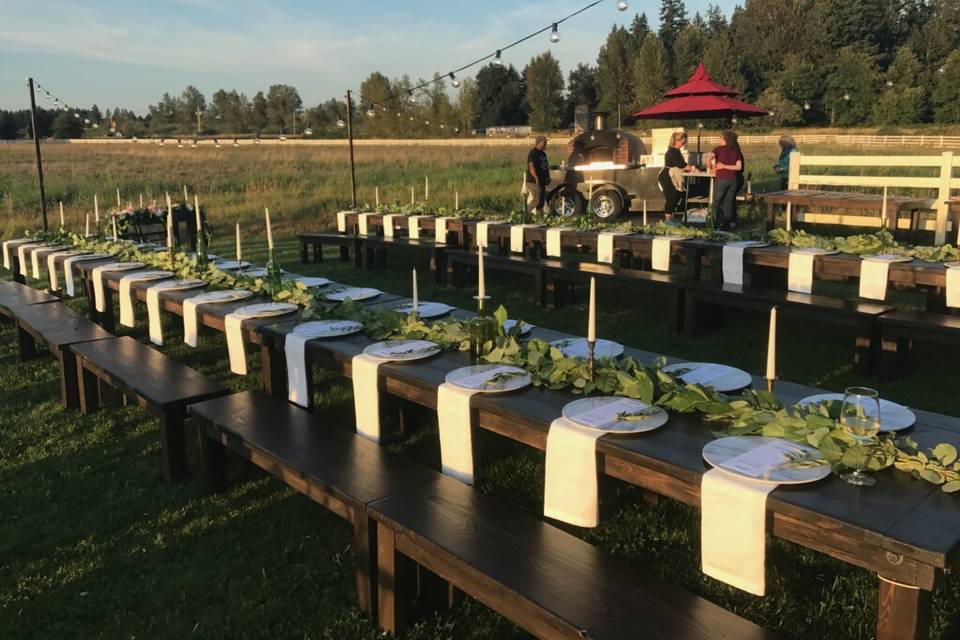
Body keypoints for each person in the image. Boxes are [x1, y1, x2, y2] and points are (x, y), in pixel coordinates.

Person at [707, 129, 744, 231]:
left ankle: (713, 224)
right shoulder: (736, 150)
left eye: (720, 137)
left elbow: (709, 158)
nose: (719, 139)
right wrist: (726, 166)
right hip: (733, 180)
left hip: (722, 179)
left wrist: (711, 168)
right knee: (728, 202)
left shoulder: (718, 149)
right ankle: (726, 227)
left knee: (716, 202)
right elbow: (739, 167)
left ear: (724, 138)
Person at [657, 131, 695, 221]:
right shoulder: (672, 151)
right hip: (667, 176)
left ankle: (670, 220)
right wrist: (694, 168)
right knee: (672, 197)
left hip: (670, 175)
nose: (683, 144)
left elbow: (682, 164)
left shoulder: (676, 150)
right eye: (682, 142)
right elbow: (681, 164)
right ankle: (668, 221)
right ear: (677, 141)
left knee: (675, 197)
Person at [525, 135, 550, 214]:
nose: (546, 144)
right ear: (538, 143)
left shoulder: (543, 154)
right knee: (537, 200)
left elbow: (545, 166)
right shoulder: (533, 153)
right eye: (544, 142)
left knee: (541, 201)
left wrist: (548, 177)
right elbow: (531, 166)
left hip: (542, 180)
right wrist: (536, 178)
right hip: (533, 181)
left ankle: (540, 216)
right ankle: (525, 213)